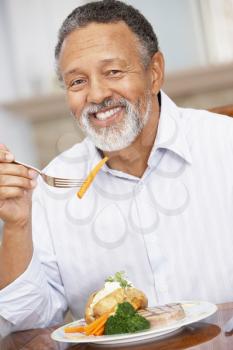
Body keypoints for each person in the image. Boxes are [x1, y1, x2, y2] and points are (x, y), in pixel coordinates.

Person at [0, 0, 233, 337]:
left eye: (113, 72)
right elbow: (25, 324)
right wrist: (17, 225)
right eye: (77, 82)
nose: (97, 94)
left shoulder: (225, 144)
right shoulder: (51, 188)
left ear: (154, 73)